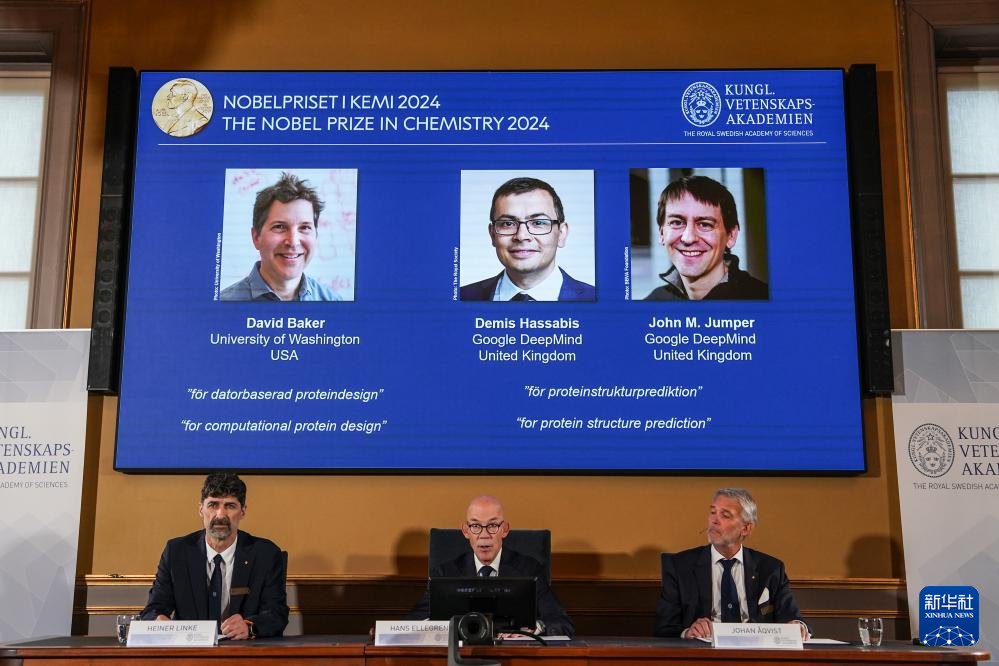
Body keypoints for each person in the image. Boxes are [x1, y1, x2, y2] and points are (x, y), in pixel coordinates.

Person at [140, 473, 289, 639]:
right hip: (190, 650)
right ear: (201, 509)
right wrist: (160, 622)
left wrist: (249, 626)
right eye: (213, 505)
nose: (220, 515)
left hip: (243, 649)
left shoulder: (266, 554)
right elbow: (153, 609)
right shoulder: (176, 552)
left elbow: (277, 614)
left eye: (230, 506)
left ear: (243, 511)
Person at [407, 495, 575, 637]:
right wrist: (441, 628)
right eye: (475, 526)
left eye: (493, 526)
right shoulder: (444, 573)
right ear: (465, 531)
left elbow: (562, 623)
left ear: (505, 529)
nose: (484, 535)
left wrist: (532, 629)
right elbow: (412, 624)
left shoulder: (530, 570)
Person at [654, 488, 808, 640]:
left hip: (756, 651)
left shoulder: (771, 568)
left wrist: (798, 627)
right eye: (713, 512)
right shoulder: (680, 566)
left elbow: (792, 617)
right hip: (704, 650)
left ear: (745, 528)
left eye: (725, 515)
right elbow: (664, 627)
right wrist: (688, 632)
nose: (714, 520)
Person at [461, 177, 594, 301]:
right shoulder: (462, 297)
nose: (521, 236)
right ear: (492, 234)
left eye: (538, 223)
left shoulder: (595, 300)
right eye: (508, 223)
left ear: (561, 234)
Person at [220, 172, 342, 301]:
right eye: (279, 226)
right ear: (256, 237)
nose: (293, 242)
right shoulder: (224, 305)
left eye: (305, 227)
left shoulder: (334, 302)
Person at [644, 175, 768, 301]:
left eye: (705, 224)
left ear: (731, 235)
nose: (688, 238)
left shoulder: (763, 300)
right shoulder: (654, 303)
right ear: (661, 233)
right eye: (677, 223)